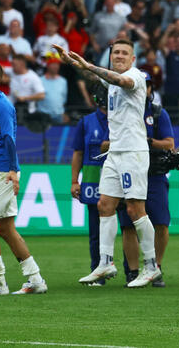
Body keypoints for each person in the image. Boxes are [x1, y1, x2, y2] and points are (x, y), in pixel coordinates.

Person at [55, 40, 160, 288]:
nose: (120, 56)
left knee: (135, 209)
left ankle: (152, 266)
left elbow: (119, 81)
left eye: (125, 53)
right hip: (115, 151)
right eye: (116, 53)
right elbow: (97, 77)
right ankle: (105, 262)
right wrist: (72, 63)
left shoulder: (135, 76)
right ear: (110, 56)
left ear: (133, 58)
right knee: (105, 205)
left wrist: (90, 66)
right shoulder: (109, 80)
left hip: (133, 152)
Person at [0, 62, 47, 294]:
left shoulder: (0, 104)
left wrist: (13, 171)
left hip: (2, 171)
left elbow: (9, 138)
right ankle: (35, 279)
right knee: (6, 229)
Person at [118, 76, 176, 286]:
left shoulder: (158, 113)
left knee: (161, 223)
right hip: (128, 172)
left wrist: (147, 141)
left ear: (149, 88)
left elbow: (170, 143)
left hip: (154, 174)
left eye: (148, 84)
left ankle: (156, 268)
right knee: (128, 226)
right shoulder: (120, 111)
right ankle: (133, 272)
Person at [71, 93, 108, 282]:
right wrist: (74, 181)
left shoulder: (125, 118)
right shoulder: (86, 122)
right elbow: (78, 153)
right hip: (94, 183)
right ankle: (97, 272)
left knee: (128, 229)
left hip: (119, 181)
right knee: (96, 232)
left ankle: (131, 272)